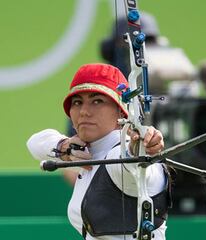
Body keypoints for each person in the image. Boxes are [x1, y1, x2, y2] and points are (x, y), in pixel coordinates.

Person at [27, 63, 171, 240]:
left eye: (97, 101)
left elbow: (130, 164)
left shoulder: (118, 153)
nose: (84, 112)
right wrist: (63, 147)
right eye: (77, 102)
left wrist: (140, 148)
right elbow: (34, 142)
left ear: (121, 111)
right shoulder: (87, 151)